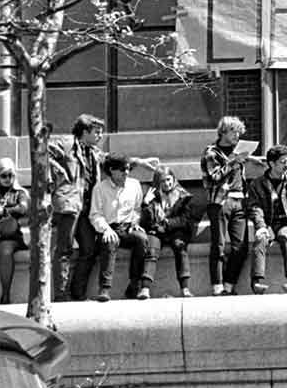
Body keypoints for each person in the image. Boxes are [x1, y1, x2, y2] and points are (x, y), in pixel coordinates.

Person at [48, 114, 106, 302]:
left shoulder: (94, 152)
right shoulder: (66, 144)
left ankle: (77, 293)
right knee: (64, 250)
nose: (100, 136)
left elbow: (112, 160)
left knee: (89, 249)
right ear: (85, 131)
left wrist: (140, 162)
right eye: (97, 132)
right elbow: (43, 153)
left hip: (87, 209)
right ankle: (61, 295)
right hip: (69, 206)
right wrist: (60, 173)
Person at [200, 115, 254, 296]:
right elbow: (214, 176)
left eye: (239, 132)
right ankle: (217, 286)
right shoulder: (211, 152)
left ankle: (229, 285)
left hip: (240, 201)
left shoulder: (236, 151)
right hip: (220, 202)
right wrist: (233, 162)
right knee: (219, 245)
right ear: (223, 131)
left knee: (241, 247)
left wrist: (252, 160)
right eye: (234, 131)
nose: (237, 136)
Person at [248, 145, 287, 294]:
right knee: (260, 240)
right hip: (267, 223)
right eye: (282, 162)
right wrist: (261, 226)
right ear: (271, 163)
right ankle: (256, 283)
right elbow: (254, 208)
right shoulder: (257, 184)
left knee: (286, 237)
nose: (286, 165)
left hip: (285, 222)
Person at [90, 155, 150, 301]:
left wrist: (135, 223)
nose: (126, 173)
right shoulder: (100, 188)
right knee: (109, 243)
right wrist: (106, 229)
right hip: (109, 227)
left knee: (141, 240)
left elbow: (137, 208)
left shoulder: (134, 185)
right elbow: (95, 214)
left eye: (128, 169)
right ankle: (104, 289)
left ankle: (134, 285)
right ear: (112, 170)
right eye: (122, 170)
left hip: (128, 227)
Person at [141, 166, 198, 298]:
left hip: (175, 231)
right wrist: (145, 203)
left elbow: (186, 220)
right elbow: (145, 222)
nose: (167, 184)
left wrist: (167, 223)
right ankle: (145, 288)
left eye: (168, 180)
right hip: (156, 230)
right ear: (157, 183)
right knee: (152, 250)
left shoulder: (184, 196)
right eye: (163, 181)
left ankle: (185, 288)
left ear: (173, 179)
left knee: (180, 247)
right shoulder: (152, 196)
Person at [0, 159, 29, 305]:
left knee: (5, 250)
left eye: (11, 175)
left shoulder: (19, 192)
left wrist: (4, 211)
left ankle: (5, 295)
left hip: (12, 236)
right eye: (3, 175)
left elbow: (23, 208)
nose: (7, 179)